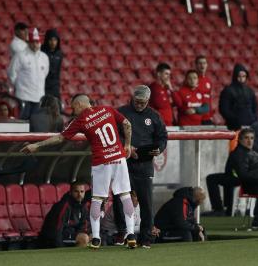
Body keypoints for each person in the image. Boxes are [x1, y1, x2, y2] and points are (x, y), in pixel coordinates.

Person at [21, 94, 137, 249]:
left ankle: (95, 238)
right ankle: (131, 234)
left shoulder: (81, 120)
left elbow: (61, 138)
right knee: (125, 195)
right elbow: (127, 124)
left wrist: (36, 146)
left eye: (73, 106)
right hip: (118, 158)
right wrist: (127, 145)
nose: (72, 109)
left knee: (96, 199)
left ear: (81, 104)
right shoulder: (107, 109)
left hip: (101, 161)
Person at [113, 85, 168, 249]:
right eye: (137, 101)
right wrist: (127, 147)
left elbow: (162, 137)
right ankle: (122, 231)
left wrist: (159, 149)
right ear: (132, 98)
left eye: (143, 102)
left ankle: (145, 238)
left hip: (144, 163)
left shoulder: (154, 116)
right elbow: (113, 135)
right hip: (124, 162)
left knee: (146, 202)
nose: (139, 105)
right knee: (119, 198)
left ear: (148, 101)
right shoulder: (121, 112)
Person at [8, 28, 49, 120]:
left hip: (38, 96)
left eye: (37, 42)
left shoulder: (44, 57)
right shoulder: (20, 55)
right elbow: (11, 73)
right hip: (23, 96)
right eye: (33, 42)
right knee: (22, 122)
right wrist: (19, 86)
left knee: (35, 123)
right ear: (29, 43)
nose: (35, 45)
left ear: (40, 43)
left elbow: (44, 74)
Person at [39, 181, 89, 248]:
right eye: (76, 191)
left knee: (92, 238)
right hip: (53, 237)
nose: (79, 195)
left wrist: (78, 234)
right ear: (70, 192)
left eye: (82, 192)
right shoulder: (64, 205)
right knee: (83, 238)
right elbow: (57, 229)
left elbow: (82, 225)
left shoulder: (83, 206)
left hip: (70, 233)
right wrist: (60, 247)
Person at [219, 63, 258, 131]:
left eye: (244, 76)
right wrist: (234, 121)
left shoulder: (250, 91)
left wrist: (253, 119)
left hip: (250, 126)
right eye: (239, 76)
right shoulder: (228, 90)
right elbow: (224, 109)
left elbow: (255, 107)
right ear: (235, 76)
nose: (241, 78)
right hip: (233, 127)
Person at [41, 29, 63, 100]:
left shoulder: (59, 54)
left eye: (55, 40)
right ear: (47, 40)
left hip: (54, 86)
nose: (53, 42)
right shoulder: (41, 52)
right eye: (50, 40)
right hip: (43, 85)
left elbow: (58, 71)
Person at [195, 55, 214, 125]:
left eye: (204, 63)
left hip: (207, 117)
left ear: (207, 65)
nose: (202, 65)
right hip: (197, 117)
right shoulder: (192, 80)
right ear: (196, 65)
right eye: (200, 63)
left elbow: (209, 100)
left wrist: (211, 115)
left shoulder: (208, 81)